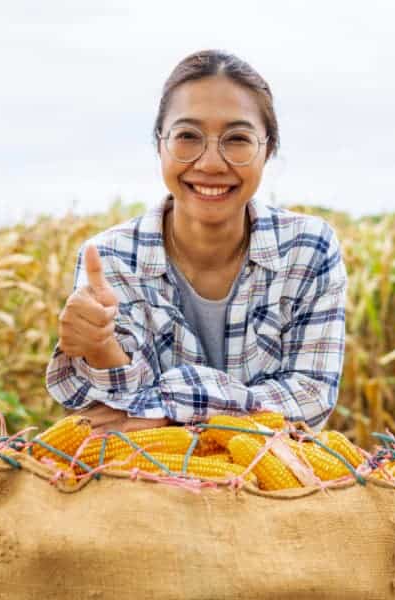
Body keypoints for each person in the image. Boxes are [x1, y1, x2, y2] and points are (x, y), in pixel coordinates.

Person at [45, 49, 348, 435]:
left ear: (267, 150)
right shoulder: (110, 258)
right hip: (151, 487)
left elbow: (309, 399)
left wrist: (168, 412)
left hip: (269, 488)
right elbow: (110, 420)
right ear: (160, 145)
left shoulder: (309, 249)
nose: (210, 163)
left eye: (237, 139)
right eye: (188, 136)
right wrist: (100, 349)